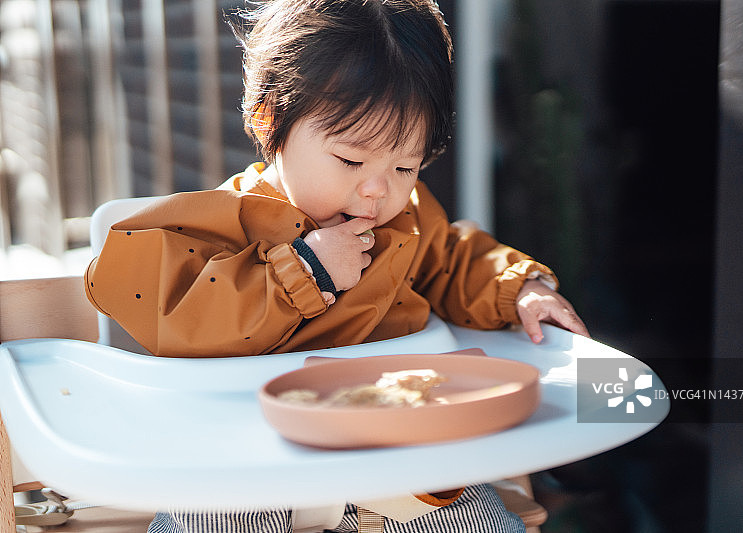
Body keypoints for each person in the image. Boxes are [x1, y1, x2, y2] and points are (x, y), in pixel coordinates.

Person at [85, 1, 589, 531]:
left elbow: (457, 261)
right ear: (270, 118)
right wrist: (303, 273)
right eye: (351, 160)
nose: (378, 189)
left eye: (404, 166)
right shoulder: (216, 225)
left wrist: (520, 288)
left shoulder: (408, 220)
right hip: (245, 466)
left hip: (400, 460)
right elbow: (171, 309)